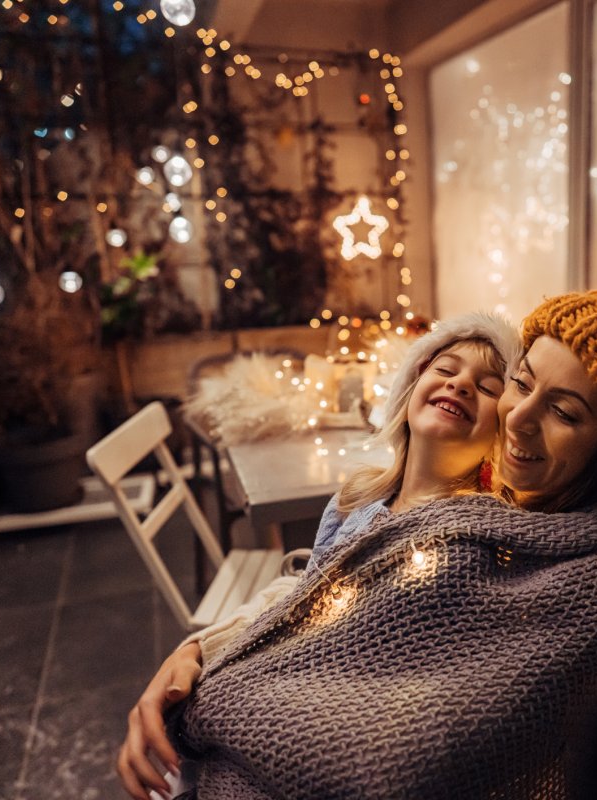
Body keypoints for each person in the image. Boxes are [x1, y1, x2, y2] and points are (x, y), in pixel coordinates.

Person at [121, 290, 597, 800]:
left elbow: (409, 762)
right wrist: (203, 647)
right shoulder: (483, 510)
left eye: (565, 412)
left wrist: (213, 694)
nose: (519, 418)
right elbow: (316, 598)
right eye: (522, 385)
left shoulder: (577, 571)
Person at [118, 312, 523, 799]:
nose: (460, 384)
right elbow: (306, 590)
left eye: (488, 385)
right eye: (446, 369)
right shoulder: (354, 501)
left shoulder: (466, 538)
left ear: (501, 432)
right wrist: (200, 647)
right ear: (412, 386)